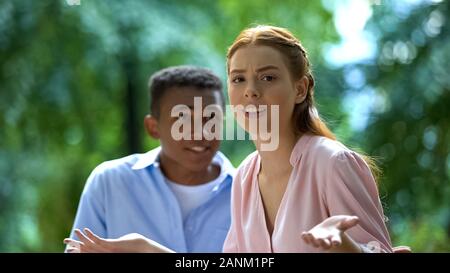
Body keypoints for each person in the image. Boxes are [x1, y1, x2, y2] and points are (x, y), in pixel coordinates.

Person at [64, 26, 410, 253]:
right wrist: (146, 249)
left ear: (300, 88)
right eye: (239, 79)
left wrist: (349, 249)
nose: (251, 93)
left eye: (268, 77)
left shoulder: (331, 163)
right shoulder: (245, 176)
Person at [65, 66, 235, 253]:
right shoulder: (109, 183)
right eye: (183, 118)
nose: (201, 132)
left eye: (211, 117)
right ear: (153, 127)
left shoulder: (249, 193)